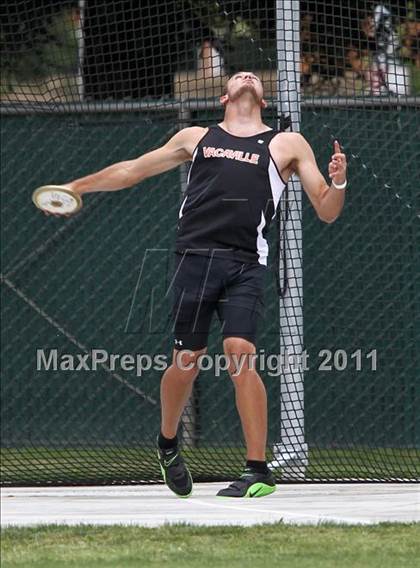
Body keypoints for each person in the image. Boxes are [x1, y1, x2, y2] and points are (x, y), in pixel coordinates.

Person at [44, 71, 347, 498]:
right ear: (224, 95)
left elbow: (328, 209)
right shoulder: (196, 136)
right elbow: (132, 170)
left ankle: (257, 470)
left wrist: (338, 180)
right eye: (238, 76)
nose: (247, 77)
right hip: (194, 260)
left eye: (254, 77)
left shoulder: (287, 143)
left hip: (246, 263)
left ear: (264, 98)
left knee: (240, 352)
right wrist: (77, 187)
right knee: (186, 361)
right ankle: (167, 443)